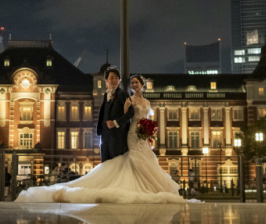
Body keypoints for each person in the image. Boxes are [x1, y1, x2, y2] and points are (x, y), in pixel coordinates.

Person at [15, 73, 189, 204]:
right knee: (127, 161)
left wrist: (148, 129)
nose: (134, 84)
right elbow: (120, 114)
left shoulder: (139, 100)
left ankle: (140, 188)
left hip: (139, 134)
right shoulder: (125, 97)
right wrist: (103, 129)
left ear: (142, 84)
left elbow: (141, 117)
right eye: (132, 82)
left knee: (139, 161)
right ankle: (124, 188)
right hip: (129, 135)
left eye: (137, 82)